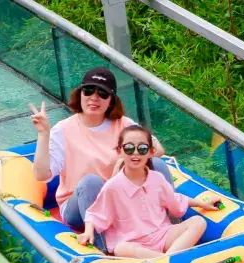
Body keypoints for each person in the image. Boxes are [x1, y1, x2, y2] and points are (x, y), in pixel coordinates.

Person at [28, 67, 173, 252]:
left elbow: (157, 149)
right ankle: (104, 250)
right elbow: (41, 175)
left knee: (158, 165)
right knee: (91, 182)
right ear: (80, 94)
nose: (94, 98)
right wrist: (43, 134)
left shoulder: (124, 125)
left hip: (120, 202)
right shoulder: (63, 130)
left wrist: (122, 162)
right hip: (81, 205)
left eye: (102, 93)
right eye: (88, 91)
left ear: (111, 100)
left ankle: (172, 228)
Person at [79, 125, 220, 258]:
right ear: (119, 151)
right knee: (121, 248)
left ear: (151, 152)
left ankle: (165, 259)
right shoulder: (112, 187)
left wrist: (202, 203)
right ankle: (166, 260)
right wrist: (87, 232)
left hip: (162, 236)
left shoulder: (157, 179)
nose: (135, 153)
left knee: (198, 222)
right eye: (129, 148)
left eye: (142, 148)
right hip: (133, 243)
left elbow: (175, 201)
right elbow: (95, 214)